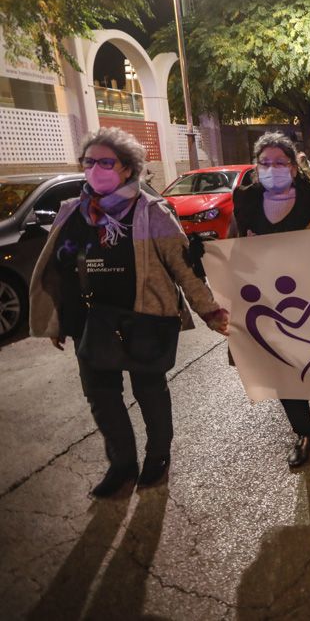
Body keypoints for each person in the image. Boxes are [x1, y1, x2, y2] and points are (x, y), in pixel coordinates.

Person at [29, 127, 230, 497]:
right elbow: (61, 270)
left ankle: (158, 457)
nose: (95, 169)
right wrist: (58, 320)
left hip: (145, 318)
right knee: (101, 397)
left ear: (126, 168)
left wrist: (211, 312)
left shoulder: (151, 212)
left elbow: (183, 268)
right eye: (89, 162)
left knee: (149, 390)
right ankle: (121, 464)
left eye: (106, 162)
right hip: (91, 322)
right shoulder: (74, 212)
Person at [230, 132, 310, 468]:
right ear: (257, 168)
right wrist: (207, 256)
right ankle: (305, 435)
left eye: (280, 163)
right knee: (283, 374)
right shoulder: (245, 201)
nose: (273, 169)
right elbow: (233, 248)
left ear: (294, 168)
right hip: (268, 306)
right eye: (265, 163)